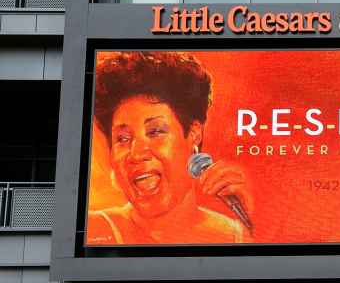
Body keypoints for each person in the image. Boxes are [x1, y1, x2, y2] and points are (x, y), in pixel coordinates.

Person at [88, 51, 253, 246]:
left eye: (155, 131)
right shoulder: (94, 230)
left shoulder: (238, 235)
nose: (137, 153)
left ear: (193, 134)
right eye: (123, 138)